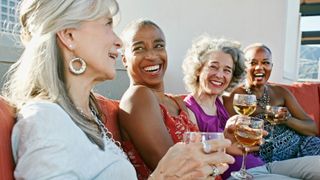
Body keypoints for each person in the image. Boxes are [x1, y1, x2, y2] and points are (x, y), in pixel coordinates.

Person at [3, 0, 234, 179]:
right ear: (69, 35)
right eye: (107, 24)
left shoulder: (88, 117)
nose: (118, 42)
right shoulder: (45, 118)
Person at [182, 36, 320, 180]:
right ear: (198, 69)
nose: (220, 75)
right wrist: (226, 145)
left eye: (227, 70)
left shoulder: (219, 102)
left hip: (264, 166)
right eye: (213, 66)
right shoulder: (190, 109)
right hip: (244, 174)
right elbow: (193, 158)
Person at [119, 19, 234, 179]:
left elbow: (200, 154)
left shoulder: (176, 102)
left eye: (158, 46)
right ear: (124, 59)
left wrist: (228, 141)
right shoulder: (138, 97)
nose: (152, 55)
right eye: (139, 48)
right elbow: (179, 170)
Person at [223, 43, 320, 163]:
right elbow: (232, 136)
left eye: (266, 62)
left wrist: (287, 120)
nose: (259, 67)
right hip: (272, 161)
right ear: (244, 67)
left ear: (271, 66)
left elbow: (312, 128)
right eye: (253, 63)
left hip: (305, 146)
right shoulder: (235, 98)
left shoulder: (280, 92)